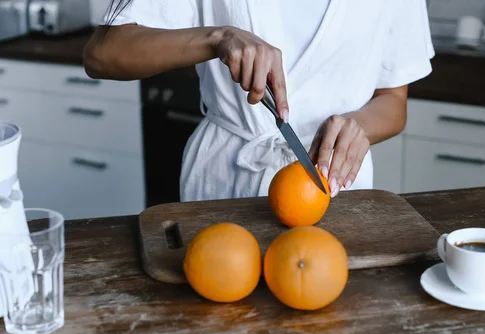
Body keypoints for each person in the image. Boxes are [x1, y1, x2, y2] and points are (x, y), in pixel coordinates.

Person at [84, 0, 434, 201]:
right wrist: (218, 37)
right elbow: (103, 53)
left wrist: (360, 126)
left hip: (336, 188)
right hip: (224, 181)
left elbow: (393, 100)